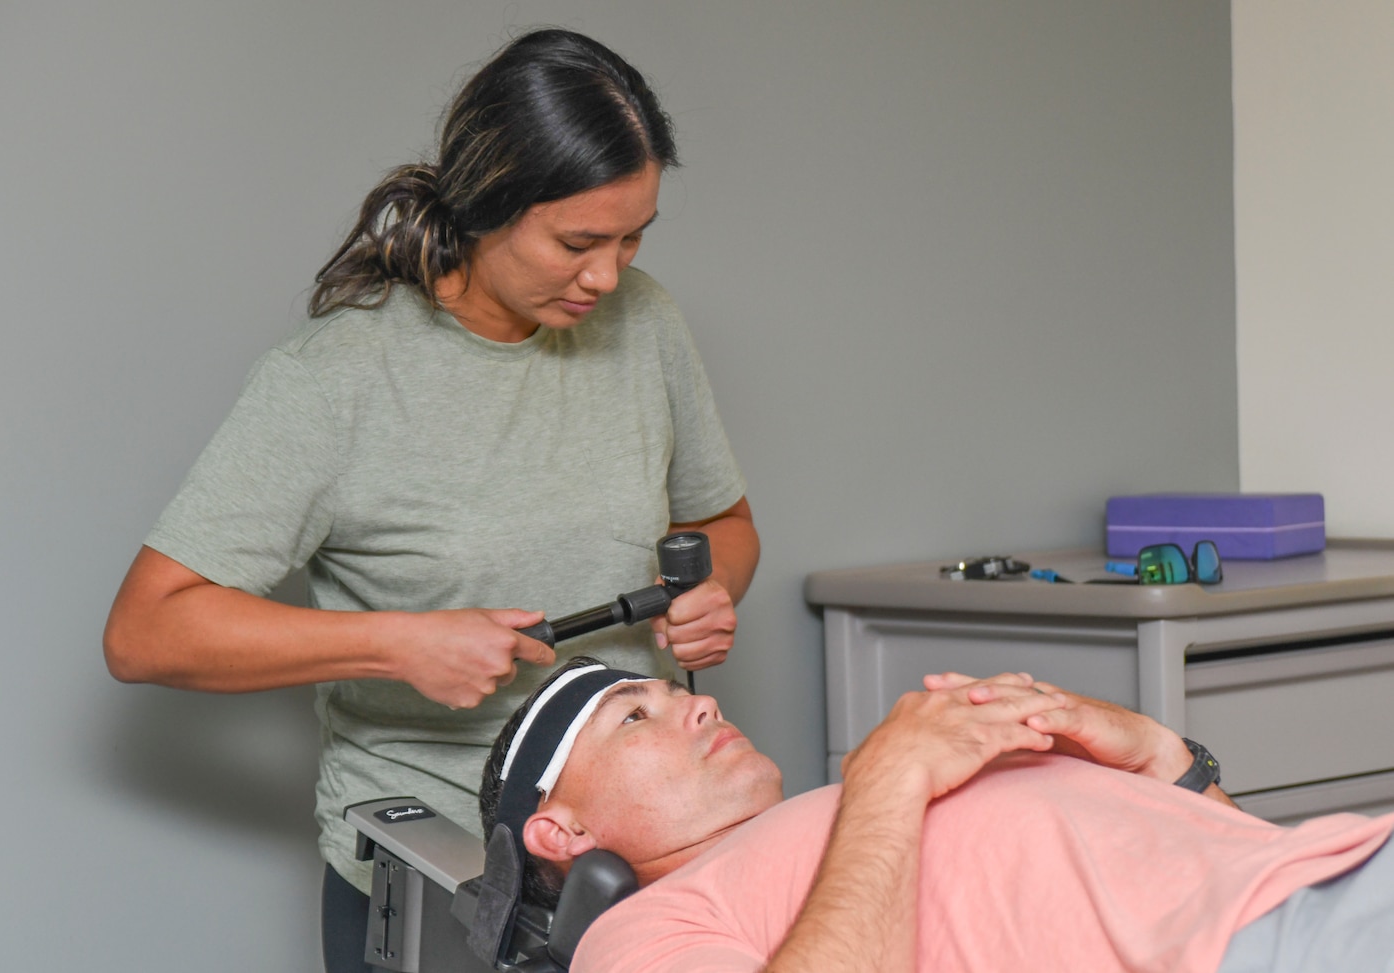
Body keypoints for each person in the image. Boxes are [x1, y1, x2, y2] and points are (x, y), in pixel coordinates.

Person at [101, 28, 759, 973]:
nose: (608, 276)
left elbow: (723, 526)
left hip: (651, 873)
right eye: (578, 242)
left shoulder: (644, 323)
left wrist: (708, 590)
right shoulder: (336, 381)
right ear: (488, 204)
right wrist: (397, 641)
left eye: (632, 239)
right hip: (436, 878)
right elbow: (146, 631)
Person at [481, 659, 1394, 972]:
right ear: (562, 831)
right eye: (634, 716)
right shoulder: (637, 928)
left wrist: (1162, 756)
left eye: (679, 694)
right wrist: (889, 777)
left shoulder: (829, 821)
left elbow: (1244, 861)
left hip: (1329, 870)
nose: (702, 706)